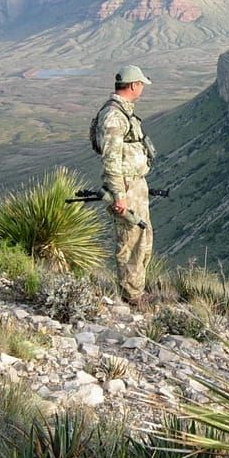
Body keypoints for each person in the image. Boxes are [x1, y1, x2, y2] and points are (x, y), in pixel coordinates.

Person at [97, 65, 155, 304]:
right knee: (130, 240)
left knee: (143, 237)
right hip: (126, 187)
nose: (142, 88)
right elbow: (111, 158)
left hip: (135, 184)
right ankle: (132, 296)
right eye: (141, 84)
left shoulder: (124, 112)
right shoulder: (114, 116)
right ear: (133, 86)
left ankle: (137, 289)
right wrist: (119, 195)